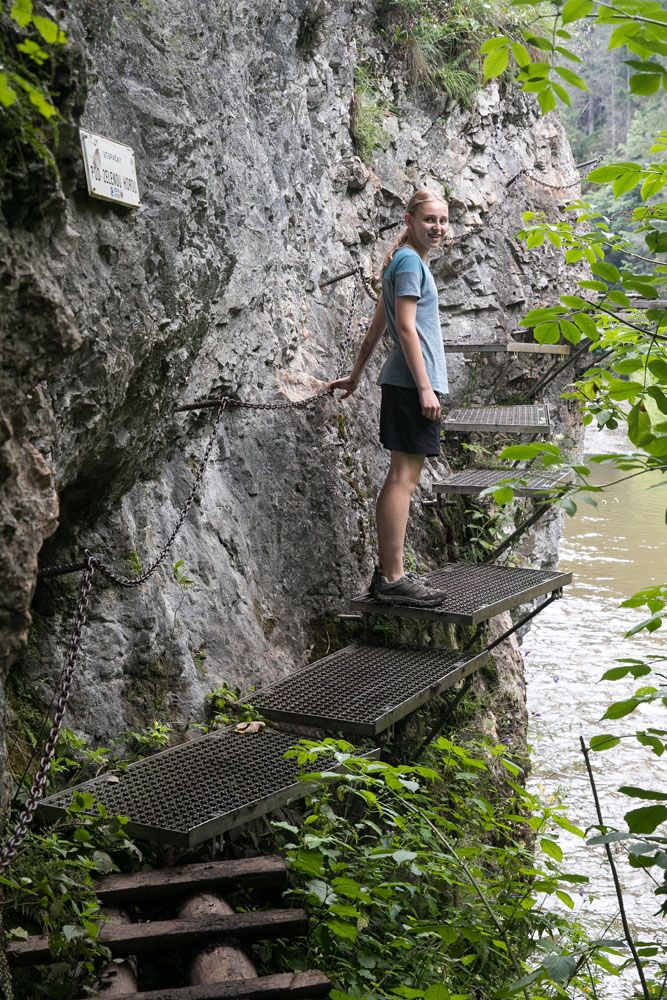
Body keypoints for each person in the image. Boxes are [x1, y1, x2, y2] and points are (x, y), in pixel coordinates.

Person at [330, 189, 450, 608]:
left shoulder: (403, 262)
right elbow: (404, 327)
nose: (437, 227)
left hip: (406, 384)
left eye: (443, 220)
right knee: (403, 478)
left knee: (401, 477)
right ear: (409, 220)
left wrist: (355, 374)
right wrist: (424, 387)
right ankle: (394, 579)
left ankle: (390, 574)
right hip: (411, 385)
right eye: (429, 219)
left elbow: (376, 326)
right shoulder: (409, 262)